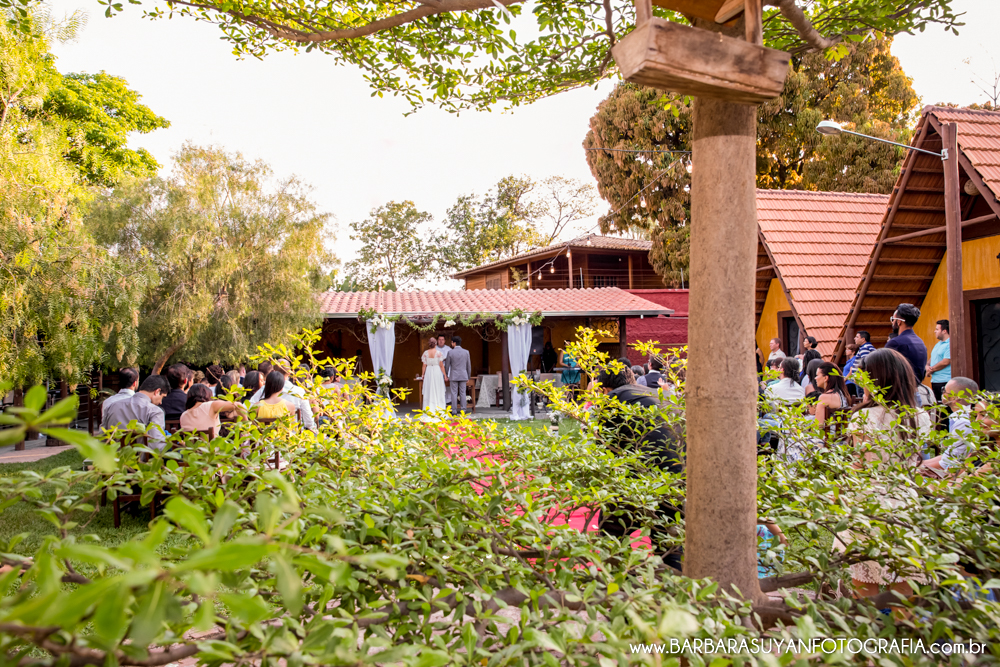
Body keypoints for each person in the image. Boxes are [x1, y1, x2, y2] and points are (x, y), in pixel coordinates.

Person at [838, 347, 932, 598]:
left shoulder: (863, 417)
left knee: (866, 583)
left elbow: (861, 466)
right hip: (905, 499)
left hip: (868, 500)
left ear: (874, 380)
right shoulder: (920, 416)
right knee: (903, 583)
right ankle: (907, 635)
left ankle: (871, 636)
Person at [920, 377, 979, 474]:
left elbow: (950, 461)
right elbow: (947, 456)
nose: (942, 392)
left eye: (944, 390)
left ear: (955, 398)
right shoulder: (958, 417)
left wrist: (917, 468)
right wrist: (918, 464)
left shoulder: (963, 423)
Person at [101, 374, 170, 449]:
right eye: (162, 397)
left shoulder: (112, 406)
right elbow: (157, 446)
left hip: (113, 458)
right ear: (157, 391)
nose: (161, 402)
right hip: (142, 460)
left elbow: (102, 437)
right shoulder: (155, 411)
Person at [248, 359, 317, 431]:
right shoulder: (299, 392)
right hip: (290, 437)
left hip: (264, 439)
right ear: (289, 372)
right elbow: (309, 421)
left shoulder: (263, 389)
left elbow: (247, 408)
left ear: (273, 372)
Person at [885, 303, 927, 385]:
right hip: (917, 388)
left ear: (899, 322)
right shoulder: (920, 341)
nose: (892, 322)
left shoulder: (895, 343)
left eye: (893, 319)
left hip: (901, 391)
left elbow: (884, 371)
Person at [179, 383, 246, 435]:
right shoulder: (210, 406)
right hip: (213, 451)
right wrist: (246, 428)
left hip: (191, 452)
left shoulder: (183, 415)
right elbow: (238, 405)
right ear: (207, 394)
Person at [444, 335, 472, 415]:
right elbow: (468, 365)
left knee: (454, 393)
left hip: (454, 375)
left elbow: (447, 365)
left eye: (451, 342)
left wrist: (446, 374)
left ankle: (454, 411)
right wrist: (468, 376)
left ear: (454, 343)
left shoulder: (450, 352)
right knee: (463, 393)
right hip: (463, 375)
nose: (451, 344)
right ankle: (463, 410)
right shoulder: (466, 352)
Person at [420, 338, 448, 417]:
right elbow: (441, 365)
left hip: (428, 371)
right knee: (437, 388)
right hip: (436, 371)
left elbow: (424, 365)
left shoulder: (425, 353)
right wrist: (445, 375)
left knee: (429, 389)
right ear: (436, 344)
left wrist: (423, 374)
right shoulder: (438, 353)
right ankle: (439, 409)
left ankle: (429, 409)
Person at [927, 319, 952, 402]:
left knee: (945, 406)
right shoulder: (938, 344)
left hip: (944, 381)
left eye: (937, 329)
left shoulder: (950, 344)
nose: (935, 331)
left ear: (944, 331)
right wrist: (927, 366)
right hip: (935, 380)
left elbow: (946, 361)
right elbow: (932, 358)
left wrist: (930, 370)